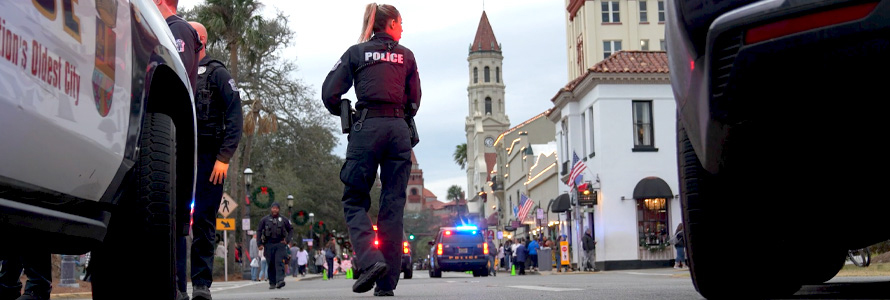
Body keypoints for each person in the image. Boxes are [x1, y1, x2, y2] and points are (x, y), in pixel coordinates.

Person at [321, 2, 421, 297]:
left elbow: (330, 92)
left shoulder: (356, 52)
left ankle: (369, 259)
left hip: (367, 129)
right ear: (389, 25)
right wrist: (402, 116)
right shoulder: (407, 56)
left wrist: (345, 112)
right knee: (392, 207)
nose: (403, 28)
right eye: (401, 23)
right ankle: (386, 284)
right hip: (398, 131)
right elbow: (414, 100)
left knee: (354, 198)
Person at [176, 21, 243, 300]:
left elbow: (235, 116)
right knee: (174, 220)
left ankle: (201, 285)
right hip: (177, 155)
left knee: (203, 221)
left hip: (209, 159)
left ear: (199, 40)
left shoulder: (217, 73)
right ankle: (176, 285)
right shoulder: (175, 69)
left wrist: (224, 158)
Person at [155, 2, 202, 299]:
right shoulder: (161, 29)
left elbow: (176, 80)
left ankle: (175, 288)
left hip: (172, 137)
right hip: (161, 137)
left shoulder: (178, 30)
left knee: (171, 218)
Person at [257, 203, 294, 289]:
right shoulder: (264, 220)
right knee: (271, 263)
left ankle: (280, 280)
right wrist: (259, 244)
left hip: (280, 244)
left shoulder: (284, 220)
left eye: (276, 208)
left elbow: (291, 230)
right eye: (273, 208)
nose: (275, 210)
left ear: (279, 209)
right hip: (268, 244)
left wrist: (287, 240)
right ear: (271, 209)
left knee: (279, 262)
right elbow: (259, 231)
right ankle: (272, 282)